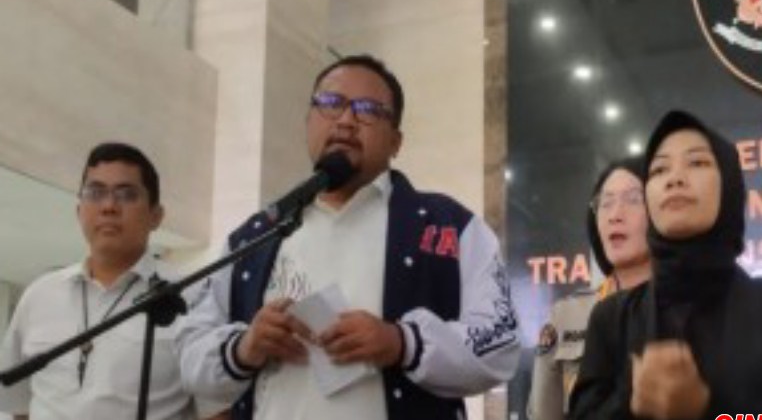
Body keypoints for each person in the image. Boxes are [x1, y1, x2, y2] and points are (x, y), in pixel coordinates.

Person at [177, 54, 521, 420]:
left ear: (395, 141)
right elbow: (189, 356)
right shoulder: (255, 237)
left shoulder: (449, 227)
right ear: (308, 123)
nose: (345, 120)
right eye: (330, 103)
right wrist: (244, 348)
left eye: (368, 110)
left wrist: (401, 343)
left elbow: (500, 344)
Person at [569, 110, 762, 419]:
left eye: (697, 163)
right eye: (659, 169)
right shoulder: (611, 318)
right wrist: (632, 400)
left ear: (729, 185)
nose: (674, 179)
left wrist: (708, 409)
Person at [0, 143, 223, 419]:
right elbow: (20, 405)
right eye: (95, 193)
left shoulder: (191, 296)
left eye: (127, 195)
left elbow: (217, 411)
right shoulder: (40, 295)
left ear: (156, 216)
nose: (108, 207)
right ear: (79, 210)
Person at [527, 157, 651, 420]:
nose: (615, 215)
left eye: (633, 199)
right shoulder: (567, 314)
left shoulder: (688, 307)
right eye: (605, 203)